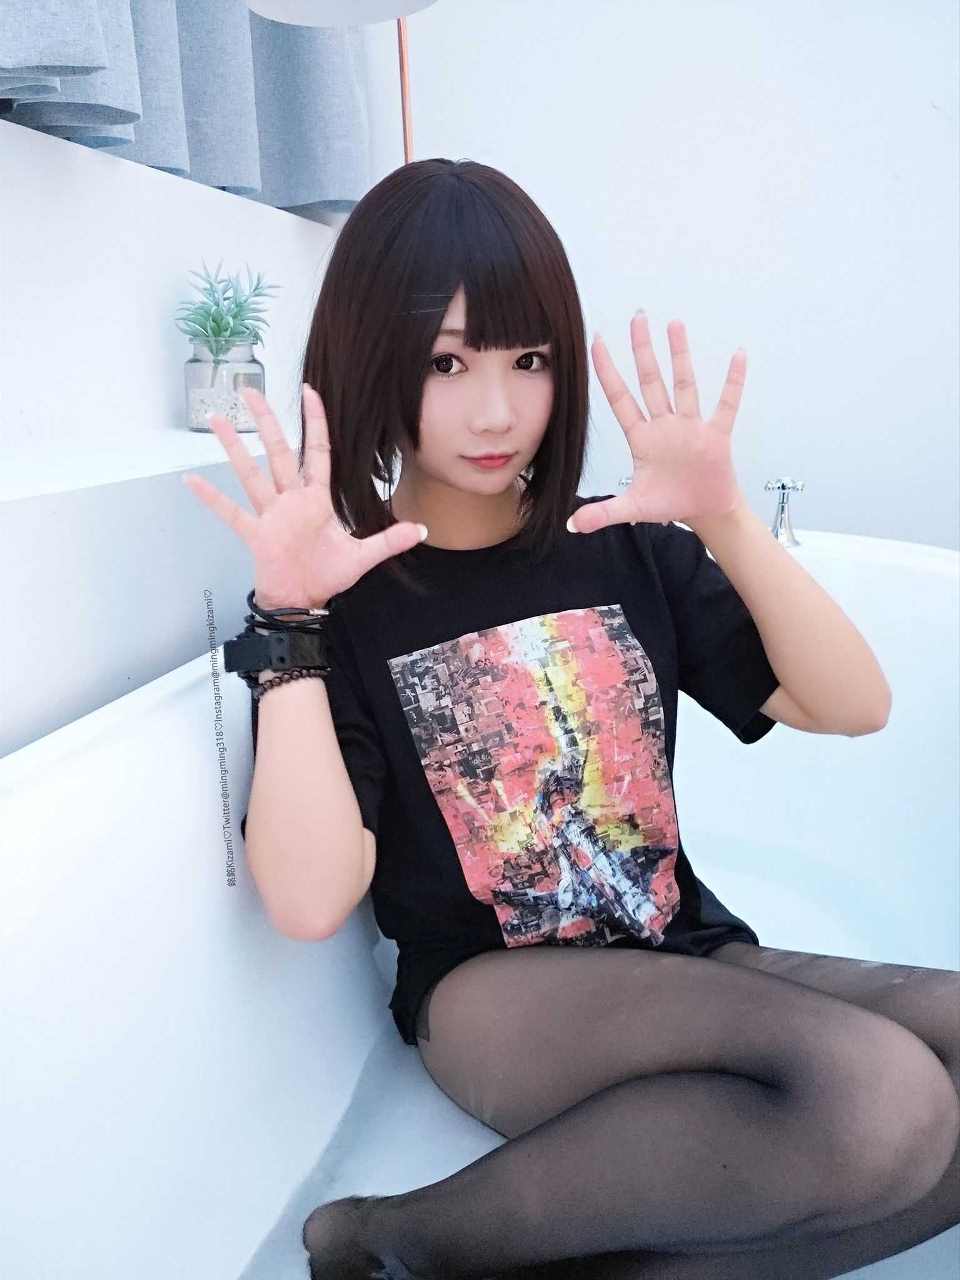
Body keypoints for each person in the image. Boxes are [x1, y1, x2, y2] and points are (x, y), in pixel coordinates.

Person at [182, 159, 959, 1280]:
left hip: (682, 950)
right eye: (447, 363)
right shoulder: (348, 596)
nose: (496, 410)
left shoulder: (622, 543)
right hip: (500, 991)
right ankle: (389, 1237)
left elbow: (853, 705)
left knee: (929, 1091)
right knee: (883, 1096)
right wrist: (292, 620)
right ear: (373, 359)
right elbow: (309, 900)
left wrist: (725, 518)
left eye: (529, 360)